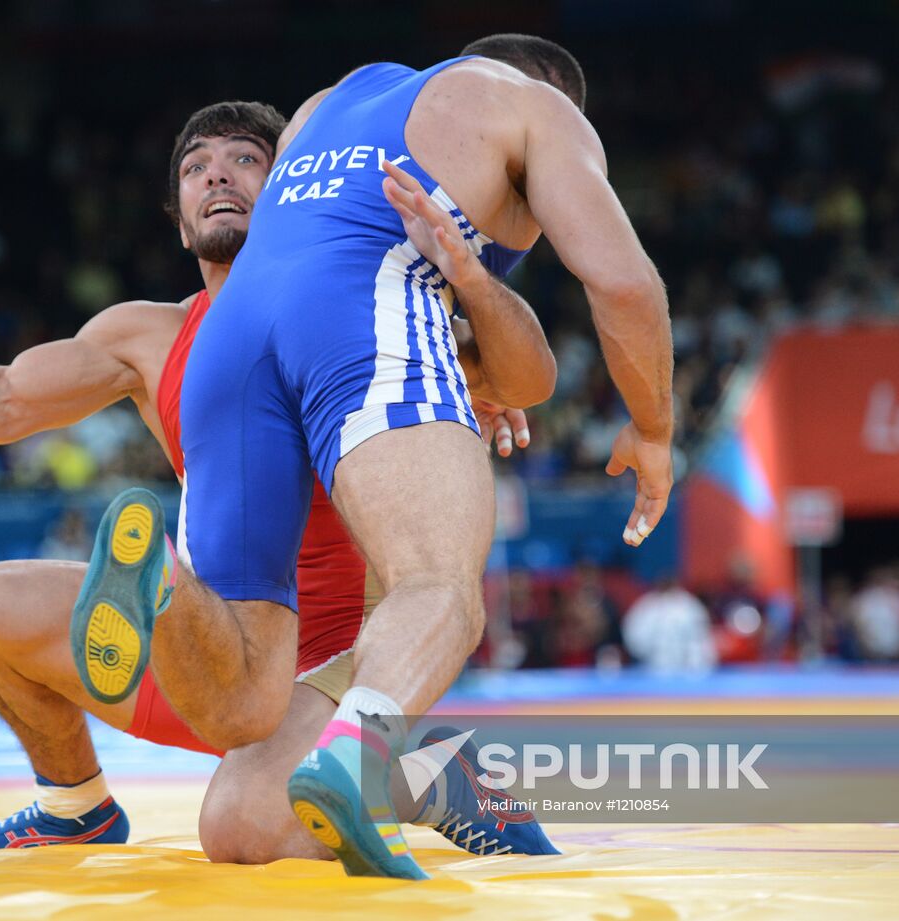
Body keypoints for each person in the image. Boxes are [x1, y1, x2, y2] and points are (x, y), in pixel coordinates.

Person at [0, 101, 555, 860]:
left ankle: (425, 766)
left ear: (297, 192)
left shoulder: (371, 307)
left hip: (340, 661)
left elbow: (524, 375)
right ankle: (78, 804)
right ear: (179, 218)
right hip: (219, 654)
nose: (218, 176)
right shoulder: (147, 337)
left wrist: (480, 352)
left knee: (240, 826)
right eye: (197, 168)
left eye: (246, 159)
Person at [71, 34, 674, 878]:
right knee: (440, 587)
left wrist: (467, 324)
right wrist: (653, 429)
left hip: (227, 342)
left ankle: (170, 595)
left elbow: (515, 372)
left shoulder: (330, 100)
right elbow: (623, 282)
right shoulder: (532, 108)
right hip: (360, 307)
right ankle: (363, 756)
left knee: (242, 795)